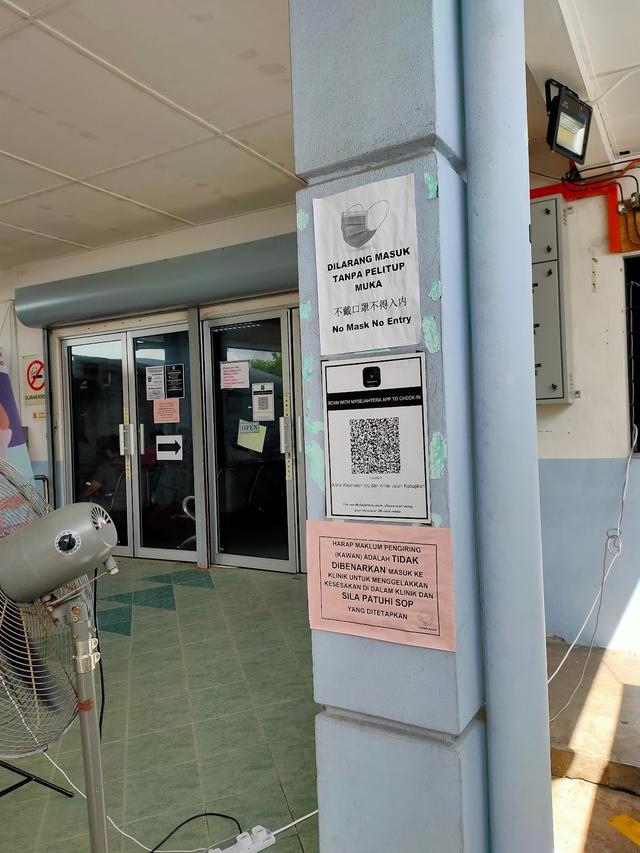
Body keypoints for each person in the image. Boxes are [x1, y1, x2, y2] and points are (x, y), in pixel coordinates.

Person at [82, 435, 126, 514]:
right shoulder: (130, 463)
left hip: (111, 509)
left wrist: (78, 498)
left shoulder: (106, 467)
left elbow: (91, 490)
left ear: (108, 451)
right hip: (130, 506)